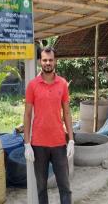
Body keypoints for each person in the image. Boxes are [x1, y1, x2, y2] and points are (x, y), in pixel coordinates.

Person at [23, 46, 74, 204]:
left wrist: (71, 140)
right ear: (40, 62)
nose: (47, 63)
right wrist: (27, 143)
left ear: (55, 62)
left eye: (50, 60)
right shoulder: (32, 85)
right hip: (38, 144)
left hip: (59, 143)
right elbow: (27, 114)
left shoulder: (63, 84)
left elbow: (66, 113)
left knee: (64, 186)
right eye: (44, 60)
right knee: (41, 188)